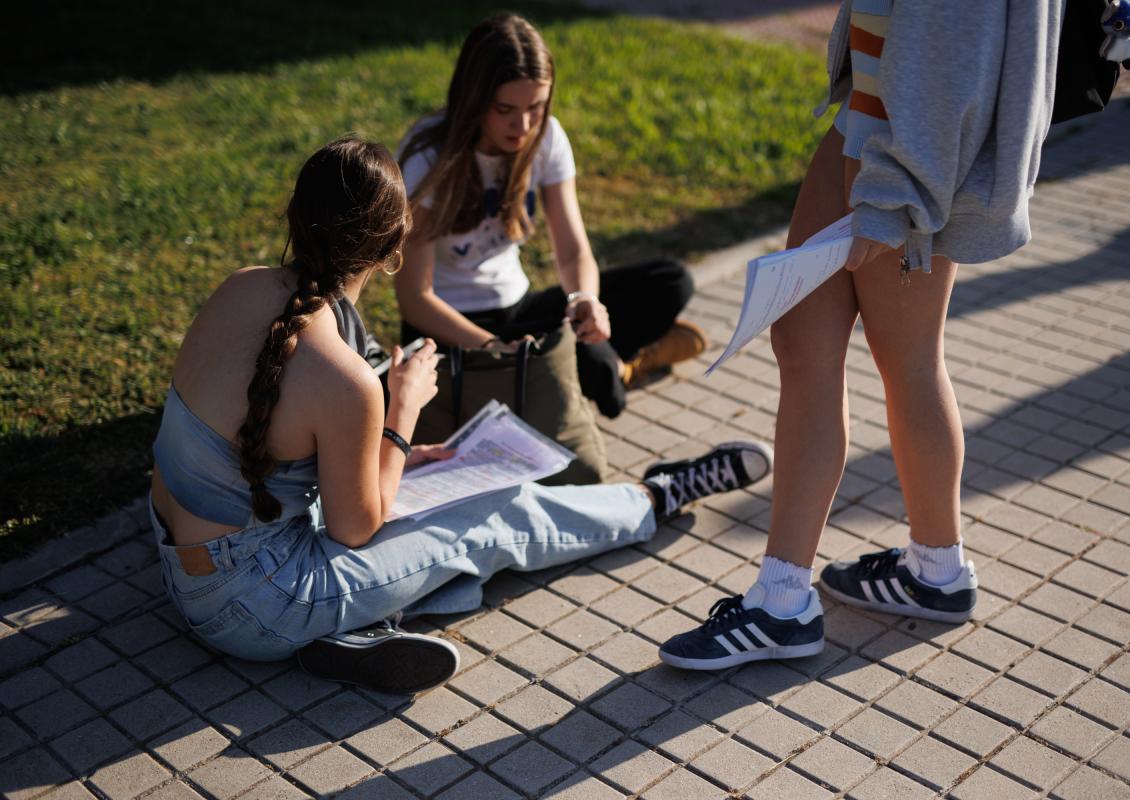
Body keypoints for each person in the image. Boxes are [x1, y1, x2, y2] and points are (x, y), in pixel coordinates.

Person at [149, 135, 772, 695]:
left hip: (180, 564)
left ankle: (355, 632)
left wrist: (392, 449)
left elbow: (268, 457)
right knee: (493, 518)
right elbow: (354, 531)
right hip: (257, 606)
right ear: (396, 245)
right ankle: (656, 498)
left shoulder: (239, 286)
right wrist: (402, 408)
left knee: (434, 517)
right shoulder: (346, 384)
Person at [659, 0, 1062, 669]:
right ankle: (928, 574)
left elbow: (951, 53)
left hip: (899, 159)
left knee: (885, 359)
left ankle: (788, 602)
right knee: (827, 347)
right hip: (880, 138)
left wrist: (890, 197)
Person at [393, 13, 707, 421]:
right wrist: (492, 347)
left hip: (519, 309)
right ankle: (618, 367)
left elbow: (573, 250)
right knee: (602, 386)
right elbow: (414, 299)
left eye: (536, 107)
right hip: (449, 332)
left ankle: (600, 368)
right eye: (505, 108)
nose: (522, 125)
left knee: (671, 281)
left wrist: (585, 300)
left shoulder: (546, 137)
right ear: (474, 98)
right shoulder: (428, 157)